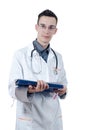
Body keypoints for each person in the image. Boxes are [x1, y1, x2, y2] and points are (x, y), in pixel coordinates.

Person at [8, 9, 68, 130]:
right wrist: (30, 90)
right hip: (30, 120)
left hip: (53, 119)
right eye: (43, 26)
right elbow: (11, 88)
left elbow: (63, 84)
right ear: (36, 27)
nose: (46, 31)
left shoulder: (58, 57)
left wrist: (63, 91)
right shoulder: (20, 55)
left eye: (51, 27)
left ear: (55, 31)